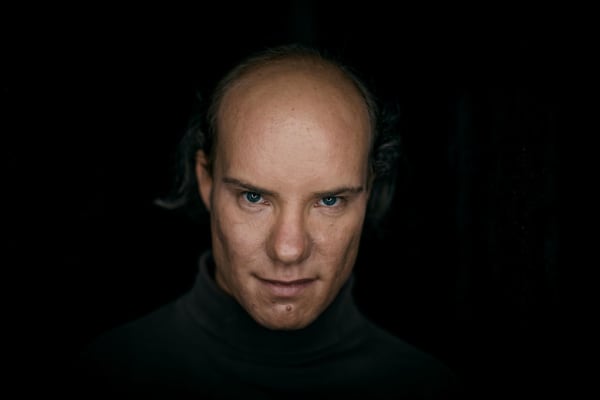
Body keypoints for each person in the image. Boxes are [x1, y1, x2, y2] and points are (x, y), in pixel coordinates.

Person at [71, 43, 462, 398]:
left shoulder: (428, 391)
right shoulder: (106, 375)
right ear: (206, 180)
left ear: (369, 191)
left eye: (329, 200)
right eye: (254, 197)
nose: (288, 250)